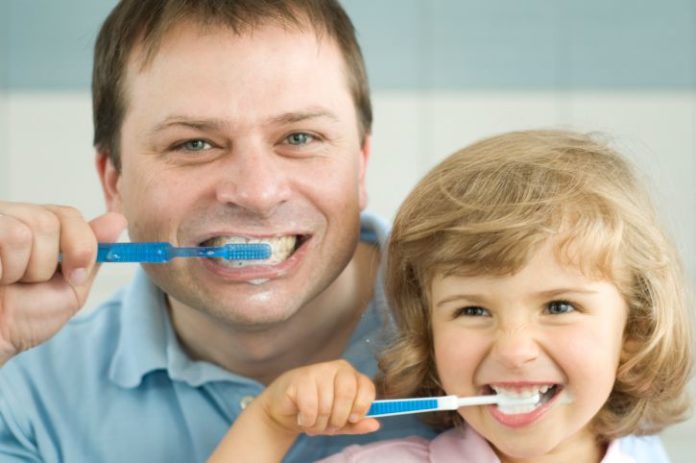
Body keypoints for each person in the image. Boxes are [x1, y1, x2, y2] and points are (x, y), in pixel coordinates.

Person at [0, 0, 676, 461]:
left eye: (299, 136)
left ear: (359, 164)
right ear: (112, 179)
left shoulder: (523, 352)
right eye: (195, 145)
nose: (258, 192)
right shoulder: (23, 394)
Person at [208, 130, 694, 462]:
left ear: (633, 332)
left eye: (559, 306)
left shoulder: (644, 453)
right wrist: (272, 422)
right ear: (428, 338)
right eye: (473, 310)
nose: (514, 350)